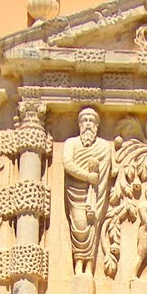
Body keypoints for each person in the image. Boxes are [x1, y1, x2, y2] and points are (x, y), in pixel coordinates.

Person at [64, 108, 113, 275]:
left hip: (96, 192)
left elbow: (105, 173)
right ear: (79, 124)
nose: (87, 124)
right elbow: (67, 163)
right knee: (79, 225)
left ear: (97, 125)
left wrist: (95, 179)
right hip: (75, 191)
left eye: (91, 121)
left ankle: (90, 265)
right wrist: (87, 175)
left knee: (93, 225)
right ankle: (78, 262)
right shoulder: (71, 143)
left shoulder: (104, 146)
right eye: (84, 120)